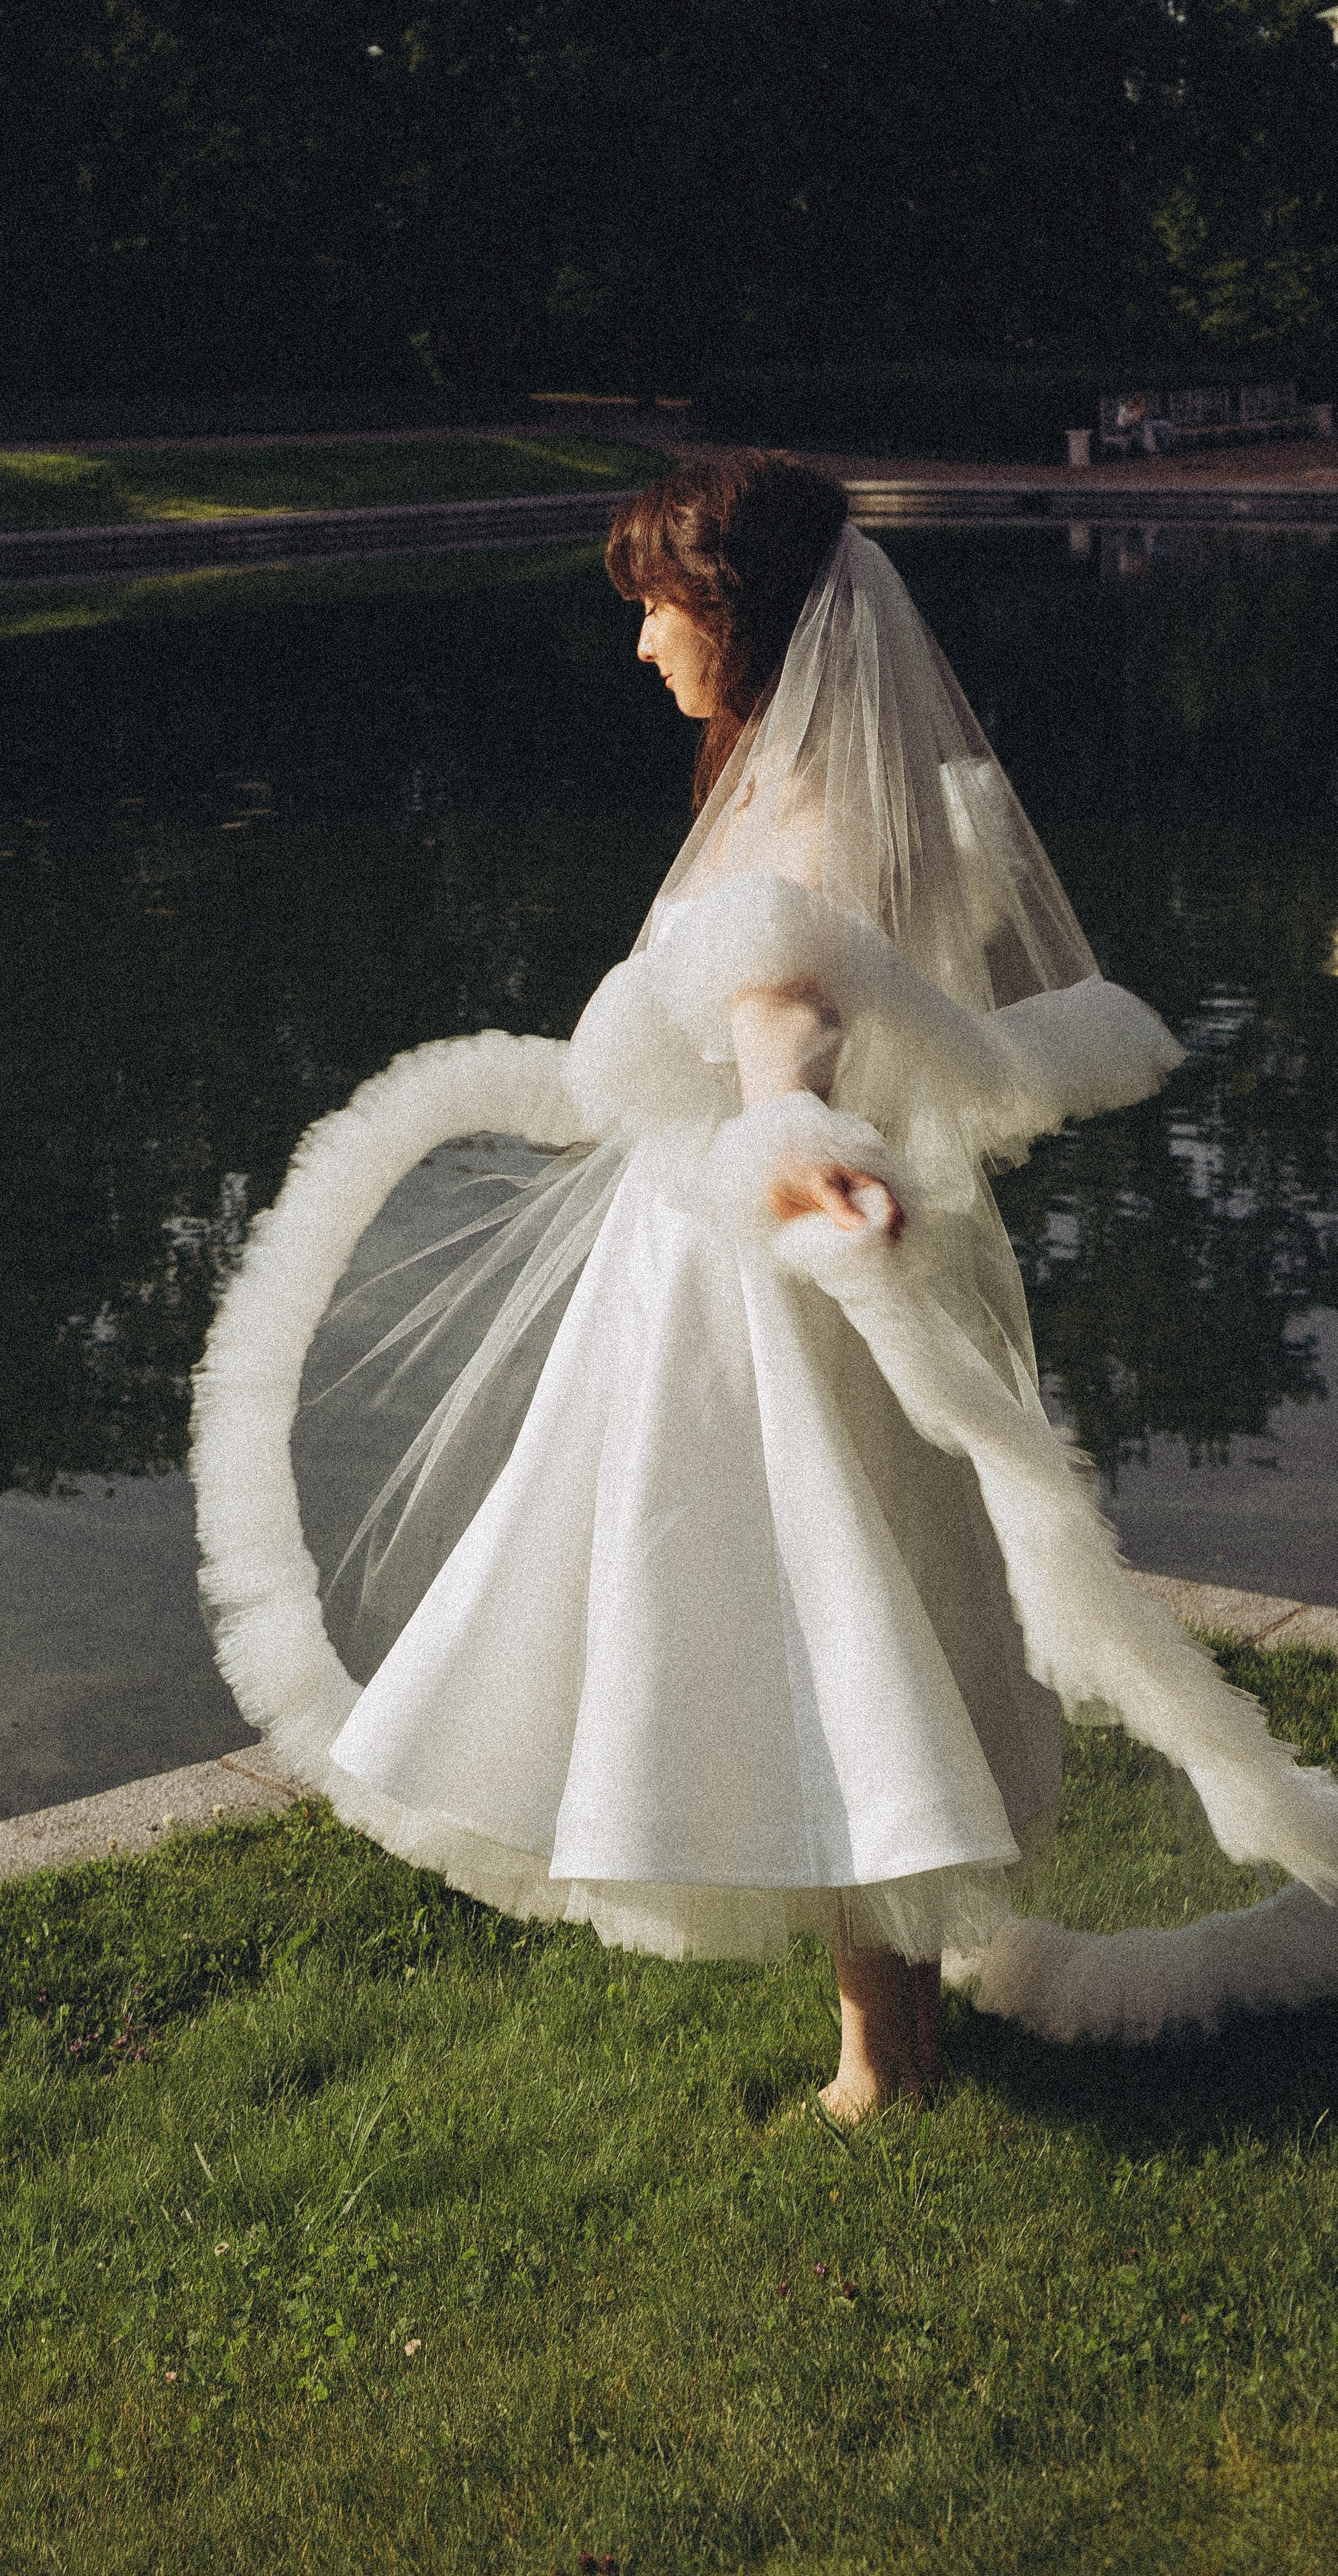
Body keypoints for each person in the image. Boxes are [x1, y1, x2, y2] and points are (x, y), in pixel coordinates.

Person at [194, 451, 1338, 2115]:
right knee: (858, 1613)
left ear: (734, 611)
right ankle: (898, 2030)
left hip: (755, 1283)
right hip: (797, 1248)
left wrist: (788, 1138)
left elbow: (779, 1012)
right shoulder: (828, 789)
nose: (641, 641)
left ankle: (889, 2059)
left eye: (658, 605)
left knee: (823, 1624)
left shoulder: (799, 818)